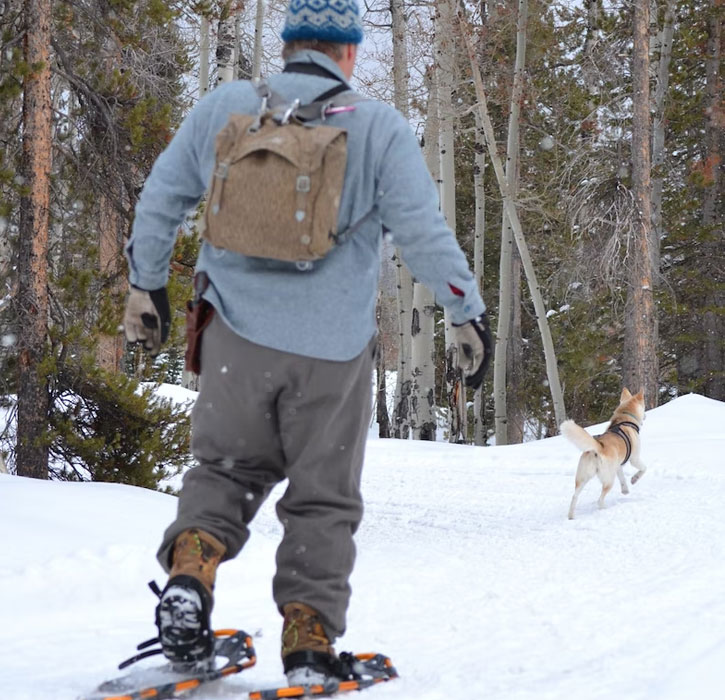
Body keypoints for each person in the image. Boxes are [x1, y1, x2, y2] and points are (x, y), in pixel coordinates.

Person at [122, 0, 492, 686]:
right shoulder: (377, 127)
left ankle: (190, 576)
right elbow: (422, 233)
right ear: (347, 53)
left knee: (224, 470)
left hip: (235, 337)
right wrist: (463, 314)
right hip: (332, 352)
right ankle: (309, 643)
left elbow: (162, 197)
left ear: (291, 46)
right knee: (322, 498)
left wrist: (146, 287)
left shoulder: (228, 105)